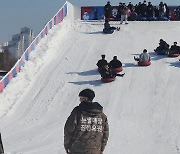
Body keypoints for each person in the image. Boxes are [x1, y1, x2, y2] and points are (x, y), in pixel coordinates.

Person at [64, 89, 109, 154]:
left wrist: (67, 146)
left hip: (77, 149)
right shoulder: (102, 115)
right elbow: (105, 133)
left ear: (85, 99)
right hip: (95, 150)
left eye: (81, 98)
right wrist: (101, 149)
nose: (80, 100)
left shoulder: (78, 112)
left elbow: (69, 129)